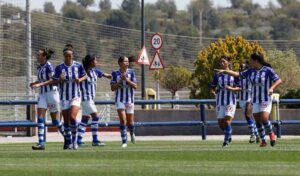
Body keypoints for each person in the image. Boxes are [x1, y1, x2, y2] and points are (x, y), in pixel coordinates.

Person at [216, 52, 282, 147]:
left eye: (251, 60)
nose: (249, 61)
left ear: (256, 60)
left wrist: (272, 88)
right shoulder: (250, 71)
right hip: (254, 99)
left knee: (264, 118)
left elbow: (279, 80)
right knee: (258, 121)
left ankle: (271, 134)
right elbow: (238, 74)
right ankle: (263, 140)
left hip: (265, 98)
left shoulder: (268, 70)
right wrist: (226, 71)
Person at [52, 44, 87, 149]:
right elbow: (53, 82)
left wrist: (79, 80)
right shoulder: (59, 67)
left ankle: (74, 141)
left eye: (70, 56)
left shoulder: (78, 65)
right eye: (66, 56)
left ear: (72, 55)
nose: (68, 57)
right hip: (63, 97)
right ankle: (68, 141)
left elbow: (85, 76)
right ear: (64, 56)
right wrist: (59, 80)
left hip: (75, 95)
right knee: (66, 122)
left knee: (72, 117)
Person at [30, 48, 64, 150]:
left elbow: (53, 80)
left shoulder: (49, 66)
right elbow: (41, 79)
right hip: (42, 94)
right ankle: (41, 143)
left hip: (51, 93)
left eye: (39, 55)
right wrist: (35, 83)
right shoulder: (39, 67)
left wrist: (40, 84)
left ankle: (68, 137)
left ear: (44, 56)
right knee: (40, 118)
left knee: (55, 121)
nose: (37, 56)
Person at [77, 54, 112, 147]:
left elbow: (107, 75)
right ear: (91, 62)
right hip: (85, 98)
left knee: (85, 119)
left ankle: (78, 140)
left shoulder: (95, 71)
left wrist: (117, 76)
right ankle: (95, 140)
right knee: (95, 117)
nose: (97, 62)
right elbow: (77, 80)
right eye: (95, 60)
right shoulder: (83, 71)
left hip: (90, 99)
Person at [211, 56, 240, 147]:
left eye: (224, 61)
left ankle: (226, 141)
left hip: (230, 100)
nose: (222, 63)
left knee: (227, 121)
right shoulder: (218, 75)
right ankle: (229, 134)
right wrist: (213, 92)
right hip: (220, 101)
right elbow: (212, 86)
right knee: (221, 123)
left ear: (229, 62)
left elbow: (240, 88)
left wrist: (231, 88)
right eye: (221, 62)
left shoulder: (233, 74)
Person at [111, 56, 137, 148]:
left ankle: (132, 133)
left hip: (130, 100)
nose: (127, 63)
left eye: (127, 61)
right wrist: (120, 81)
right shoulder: (115, 73)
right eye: (125, 61)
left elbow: (135, 86)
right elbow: (112, 88)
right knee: (123, 120)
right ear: (120, 63)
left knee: (130, 122)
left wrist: (127, 80)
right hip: (119, 100)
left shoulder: (132, 72)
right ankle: (124, 141)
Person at [238, 62, 259, 143]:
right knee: (249, 118)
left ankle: (253, 135)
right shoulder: (239, 77)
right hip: (241, 99)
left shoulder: (250, 76)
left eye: (243, 68)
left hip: (249, 98)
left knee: (248, 116)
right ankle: (257, 135)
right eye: (240, 67)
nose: (241, 69)